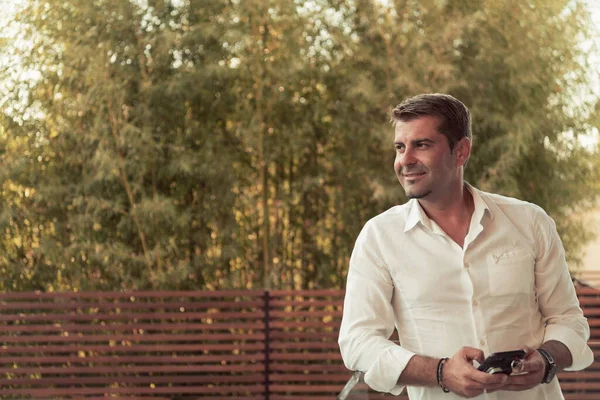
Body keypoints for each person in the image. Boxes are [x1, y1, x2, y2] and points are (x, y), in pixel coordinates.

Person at [338, 93, 594, 399]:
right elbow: (358, 341)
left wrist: (547, 360)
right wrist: (441, 372)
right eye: (399, 147)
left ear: (461, 151)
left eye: (421, 144)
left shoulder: (530, 222)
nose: (405, 160)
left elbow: (568, 320)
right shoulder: (379, 237)